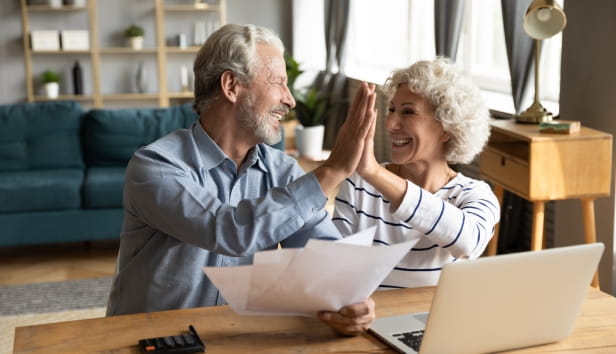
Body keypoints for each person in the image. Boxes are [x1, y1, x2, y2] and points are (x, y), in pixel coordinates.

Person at [106, 24, 377, 336]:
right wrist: (332, 170)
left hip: (233, 338)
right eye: (278, 83)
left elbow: (321, 254)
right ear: (231, 85)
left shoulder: (282, 171)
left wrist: (348, 298)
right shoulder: (155, 166)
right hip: (150, 341)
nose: (289, 100)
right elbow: (229, 231)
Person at [333, 57, 500, 289]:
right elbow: (334, 268)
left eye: (408, 112)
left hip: (438, 321)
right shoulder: (359, 184)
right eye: (391, 109)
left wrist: (373, 172)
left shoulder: (474, 195)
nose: (391, 123)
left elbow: (468, 242)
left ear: (446, 128)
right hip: (368, 319)